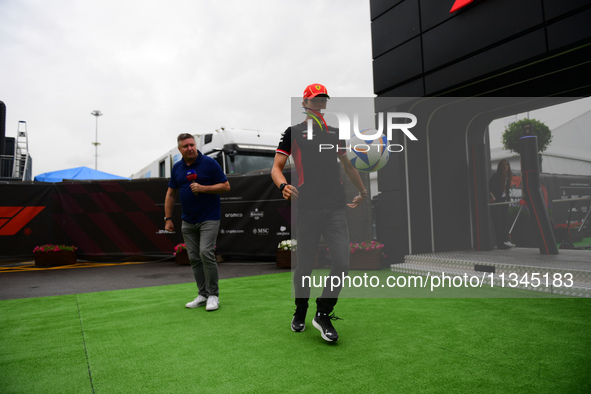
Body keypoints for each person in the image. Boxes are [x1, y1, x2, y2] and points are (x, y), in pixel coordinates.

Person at [271, 83, 368, 342]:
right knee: (304, 266)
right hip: (308, 208)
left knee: (342, 263)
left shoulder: (336, 132)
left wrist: (362, 190)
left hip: (335, 207)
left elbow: (347, 166)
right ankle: (300, 309)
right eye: (315, 99)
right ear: (305, 103)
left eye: (323, 99)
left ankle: (323, 313)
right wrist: (283, 185)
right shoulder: (293, 133)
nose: (319, 103)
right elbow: (276, 168)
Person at [165, 133, 230, 311]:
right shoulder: (177, 168)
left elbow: (226, 186)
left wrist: (203, 188)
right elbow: (170, 194)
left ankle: (213, 295)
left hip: (209, 217)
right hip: (188, 220)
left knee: (205, 253)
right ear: (180, 149)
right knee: (194, 258)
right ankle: (202, 294)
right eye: (185, 146)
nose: (190, 148)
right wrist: (168, 218)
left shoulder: (209, 163)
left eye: (192, 145)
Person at [489, 159, 515, 249]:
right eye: (503, 165)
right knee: (498, 220)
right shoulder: (496, 177)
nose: (505, 167)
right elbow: (489, 188)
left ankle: (506, 241)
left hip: (504, 202)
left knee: (505, 220)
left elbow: (506, 192)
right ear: (500, 167)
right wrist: (491, 196)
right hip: (495, 203)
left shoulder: (507, 178)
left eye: (507, 165)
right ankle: (500, 243)